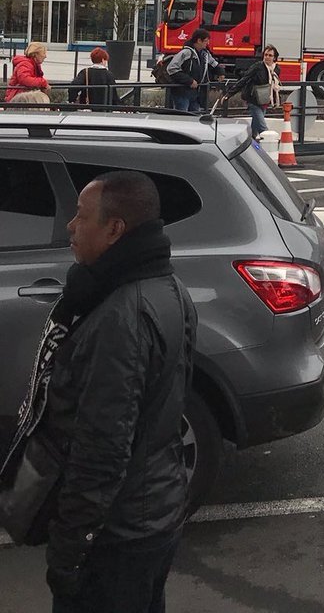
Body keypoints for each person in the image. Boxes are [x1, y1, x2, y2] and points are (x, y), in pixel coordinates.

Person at [2, 170, 196, 613]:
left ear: (114, 230)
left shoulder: (119, 319)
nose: (70, 226)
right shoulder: (170, 288)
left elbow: (101, 451)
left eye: (81, 216)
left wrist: (70, 552)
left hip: (117, 536)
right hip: (154, 514)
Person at [225, 44, 281, 139]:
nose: (267, 57)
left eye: (270, 55)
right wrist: (229, 94)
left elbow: (273, 86)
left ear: (274, 57)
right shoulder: (258, 66)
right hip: (253, 99)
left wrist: (275, 100)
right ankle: (270, 145)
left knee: (255, 126)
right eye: (266, 55)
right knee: (263, 128)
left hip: (265, 100)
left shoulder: (276, 69)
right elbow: (244, 79)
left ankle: (250, 141)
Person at [165, 29, 223, 113]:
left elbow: (213, 63)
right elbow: (171, 68)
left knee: (194, 116)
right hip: (182, 91)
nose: (207, 43)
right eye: (206, 41)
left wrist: (220, 72)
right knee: (183, 116)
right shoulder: (186, 52)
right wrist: (189, 81)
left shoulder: (205, 54)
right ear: (199, 40)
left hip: (196, 92)